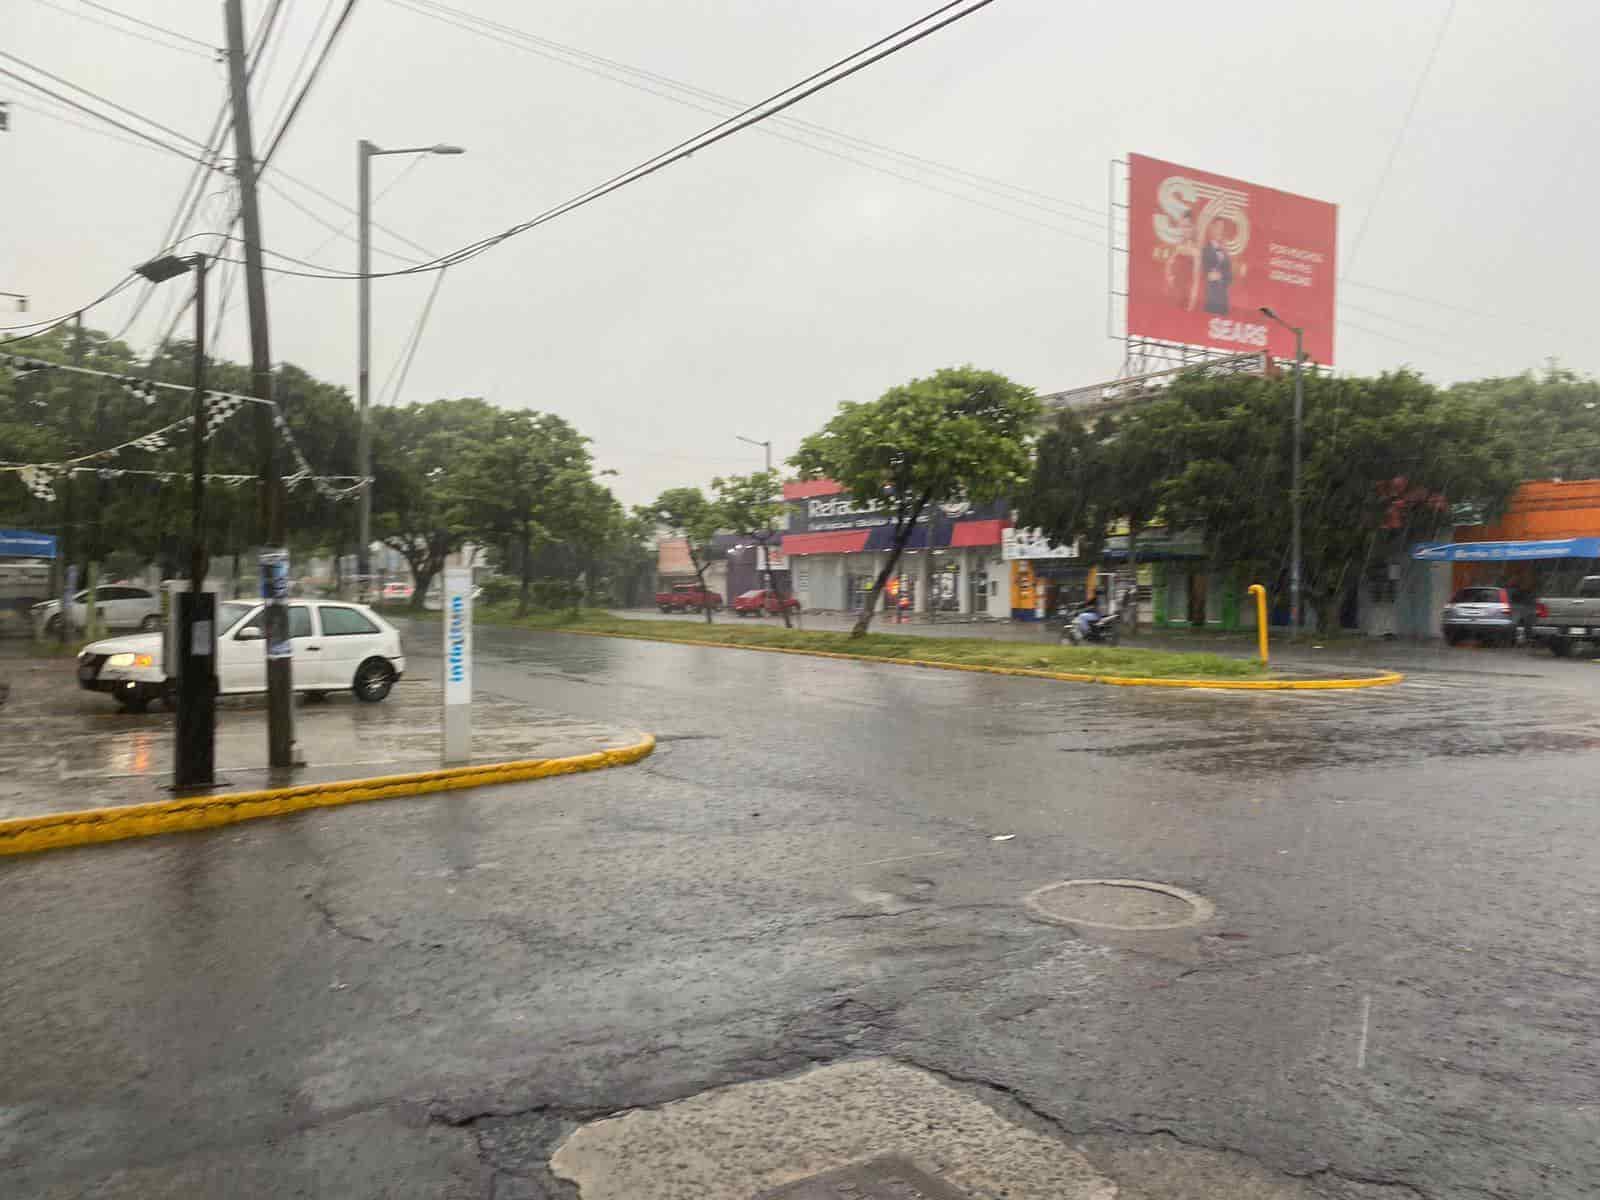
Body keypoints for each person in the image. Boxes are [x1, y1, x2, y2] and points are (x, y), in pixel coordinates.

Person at [1202, 217, 1232, 315]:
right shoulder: (1204, 250)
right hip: (1209, 300)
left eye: (1222, 228)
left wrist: (1220, 275)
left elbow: (1229, 278)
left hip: (1223, 303)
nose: (1221, 231)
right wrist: (1211, 275)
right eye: (1218, 227)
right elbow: (1204, 273)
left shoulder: (1225, 253)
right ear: (1212, 228)